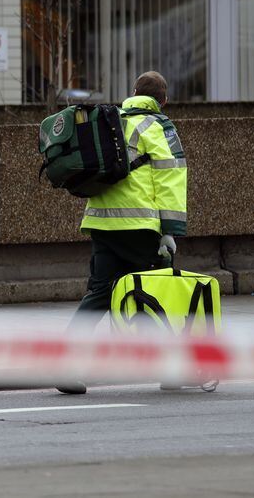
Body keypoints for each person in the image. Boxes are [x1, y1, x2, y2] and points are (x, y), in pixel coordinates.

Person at [57, 71, 188, 395]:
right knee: (157, 295)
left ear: (133, 93)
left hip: (102, 223)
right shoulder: (159, 126)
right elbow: (171, 179)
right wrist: (170, 231)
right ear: (164, 101)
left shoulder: (113, 120)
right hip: (140, 225)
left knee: (99, 295)